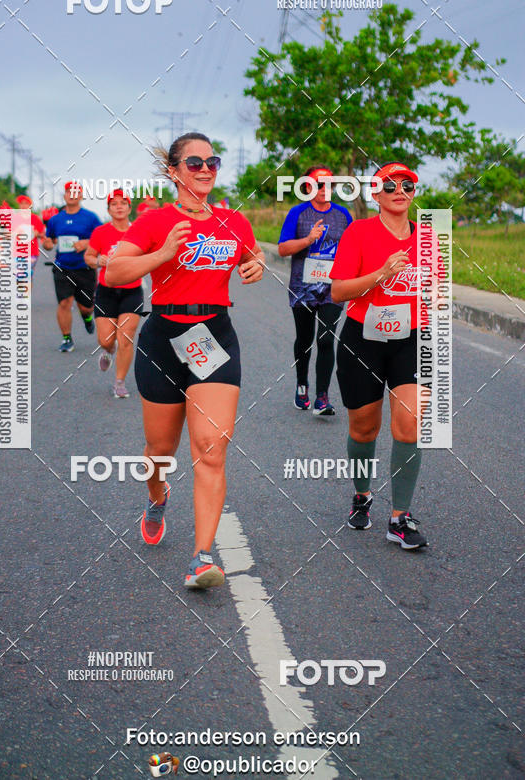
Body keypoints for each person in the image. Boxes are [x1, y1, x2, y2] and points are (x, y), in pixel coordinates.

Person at [105, 132, 264, 589]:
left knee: (211, 447)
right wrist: (162, 254)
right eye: (195, 163)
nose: (206, 169)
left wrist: (254, 265)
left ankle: (202, 557)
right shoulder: (156, 221)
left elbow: (252, 255)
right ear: (174, 171)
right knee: (159, 451)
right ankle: (157, 497)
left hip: (213, 336)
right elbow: (114, 271)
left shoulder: (233, 220)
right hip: (163, 338)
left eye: (212, 161)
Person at [330, 162, 430, 550]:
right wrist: (382, 274)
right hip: (363, 339)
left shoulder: (427, 238)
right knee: (363, 429)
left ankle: (400, 518)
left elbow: (434, 291)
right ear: (376, 194)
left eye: (407, 185)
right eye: (390, 185)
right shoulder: (359, 232)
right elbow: (338, 291)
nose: (399, 190)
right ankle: (362, 495)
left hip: (411, 339)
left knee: (409, 424)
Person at [278, 166, 352, 416]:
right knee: (305, 339)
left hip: (333, 287)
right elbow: (283, 249)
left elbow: (354, 247)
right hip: (303, 287)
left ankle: (322, 397)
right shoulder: (298, 213)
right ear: (307, 186)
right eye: (319, 184)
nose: (325, 189)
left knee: (326, 339)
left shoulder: (343, 214)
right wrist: (308, 240)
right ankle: (302, 385)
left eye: (330, 184)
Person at [85, 189, 143, 398]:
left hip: (132, 291)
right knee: (106, 339)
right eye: (114, 204)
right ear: (109, 209)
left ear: (129, 208)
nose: (119, 207)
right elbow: (89, 257)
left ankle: (119, 382)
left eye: (123, 203)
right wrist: (97, 260)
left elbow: (151, 255)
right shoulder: (100, 232)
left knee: (125, 338)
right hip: (106, 292)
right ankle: (108, 350)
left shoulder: (139, 231)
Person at [42, 181, 101, 352]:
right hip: (62, 267)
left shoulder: (91, 217)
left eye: (76, 192)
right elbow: (49, 240)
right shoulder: (55, 219)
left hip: (85, 267)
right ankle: (67, 338)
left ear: (81, 196)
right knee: (64, 303)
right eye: (69, 192)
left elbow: (103, 238)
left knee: (86, 307)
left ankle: (87, 318)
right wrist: (47, 244)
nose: (72, 195)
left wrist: (86, 243)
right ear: (64, 195)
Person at [16, 194, 46, 285]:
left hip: (32, 252)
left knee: (27, 275)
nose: (23, 206)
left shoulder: (35, 218)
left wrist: (37, 234)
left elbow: (43, 234)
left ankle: (25, 292)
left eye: (26, 203)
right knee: (19, 277)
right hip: (17, 252)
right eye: (21, 203)